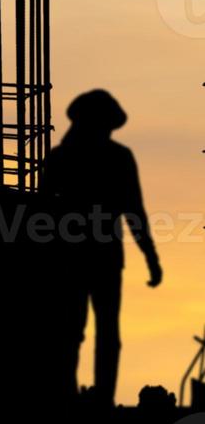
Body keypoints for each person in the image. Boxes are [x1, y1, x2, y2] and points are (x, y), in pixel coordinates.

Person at [39, 89, 162, 407]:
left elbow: (42, 215)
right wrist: (150, 258)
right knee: (87, 332)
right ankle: (89, 397)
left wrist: (151, 257)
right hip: (90, 257)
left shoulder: (63, 158)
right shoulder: (114, 157)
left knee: (75, 331)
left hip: (77, 257)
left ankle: (72, 397)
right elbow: (134, 211)